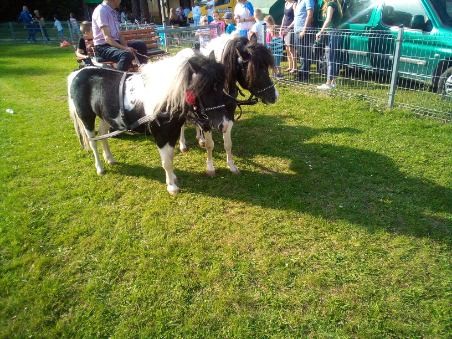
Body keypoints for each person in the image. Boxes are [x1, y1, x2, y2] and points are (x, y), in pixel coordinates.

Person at [92, 0, 148, 71]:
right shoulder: (101, 11)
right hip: (103, 48)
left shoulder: (113, 12)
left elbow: (119, 35)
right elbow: (107, 38)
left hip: (114, 44)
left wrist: (126, 47)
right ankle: (117, 79)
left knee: (140, 45)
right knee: (125, 55)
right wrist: (125, 49)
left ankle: (142, 72)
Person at [316, 0, 344, 90]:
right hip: (337, 33)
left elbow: (328, 20)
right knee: (334, 58)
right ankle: (333, 82)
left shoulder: (331, 4)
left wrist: (321, 31)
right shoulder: (337, 4)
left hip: (332, 33)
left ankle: (328, 83)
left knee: (330, 58)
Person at [292, 0, 316, 81]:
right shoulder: (299, 2)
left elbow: (310, 14)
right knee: (301, 54)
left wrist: (304, 30)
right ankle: (302, 74)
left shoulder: (308, 0)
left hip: (303, 32)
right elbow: (297, 16)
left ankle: (304, 75)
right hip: (297, 31)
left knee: (305, 54)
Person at [279, 0, 296, 73]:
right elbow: (284, 16)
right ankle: (290, 66)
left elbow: (296, 18)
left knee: (291, 49)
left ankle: (294, 68)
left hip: (291, 29)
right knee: (287, 48)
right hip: (285, 29)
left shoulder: (294, 4)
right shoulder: (286, 4)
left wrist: (288, 28)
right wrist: (281, 28)